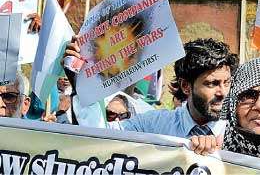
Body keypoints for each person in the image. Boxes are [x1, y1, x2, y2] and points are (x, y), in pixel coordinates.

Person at [64, 38, 238, 138]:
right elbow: (100, 137)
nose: (222, 92)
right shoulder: (154, 125)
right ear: (186, 86)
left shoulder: (240, 133)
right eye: (212, 84)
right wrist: (81, 81)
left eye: (227, 83)